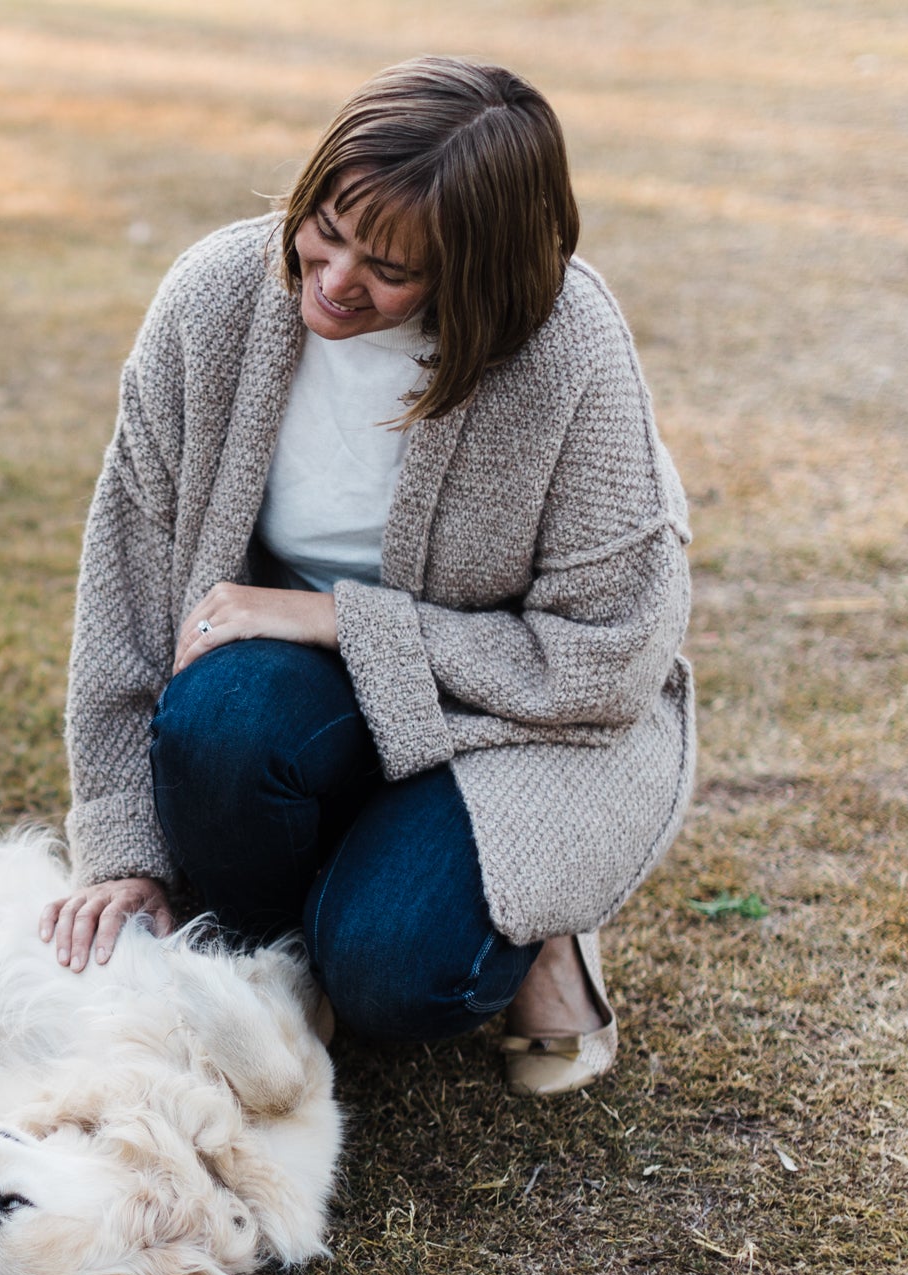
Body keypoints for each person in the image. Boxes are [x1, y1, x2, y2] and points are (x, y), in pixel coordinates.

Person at [43, 56, 695, 1097]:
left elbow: (606, 661)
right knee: (222, 712)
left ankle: (542, 928)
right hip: (311, 695)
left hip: (518, 719)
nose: (335, 280)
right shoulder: (215, 299)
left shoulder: (567, 351)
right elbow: (122, 590)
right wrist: (121, 846)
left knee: (397, 981)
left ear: (476, 274)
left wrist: (333, 618)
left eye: (389, 270)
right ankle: (296, 930)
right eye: (326, 229)